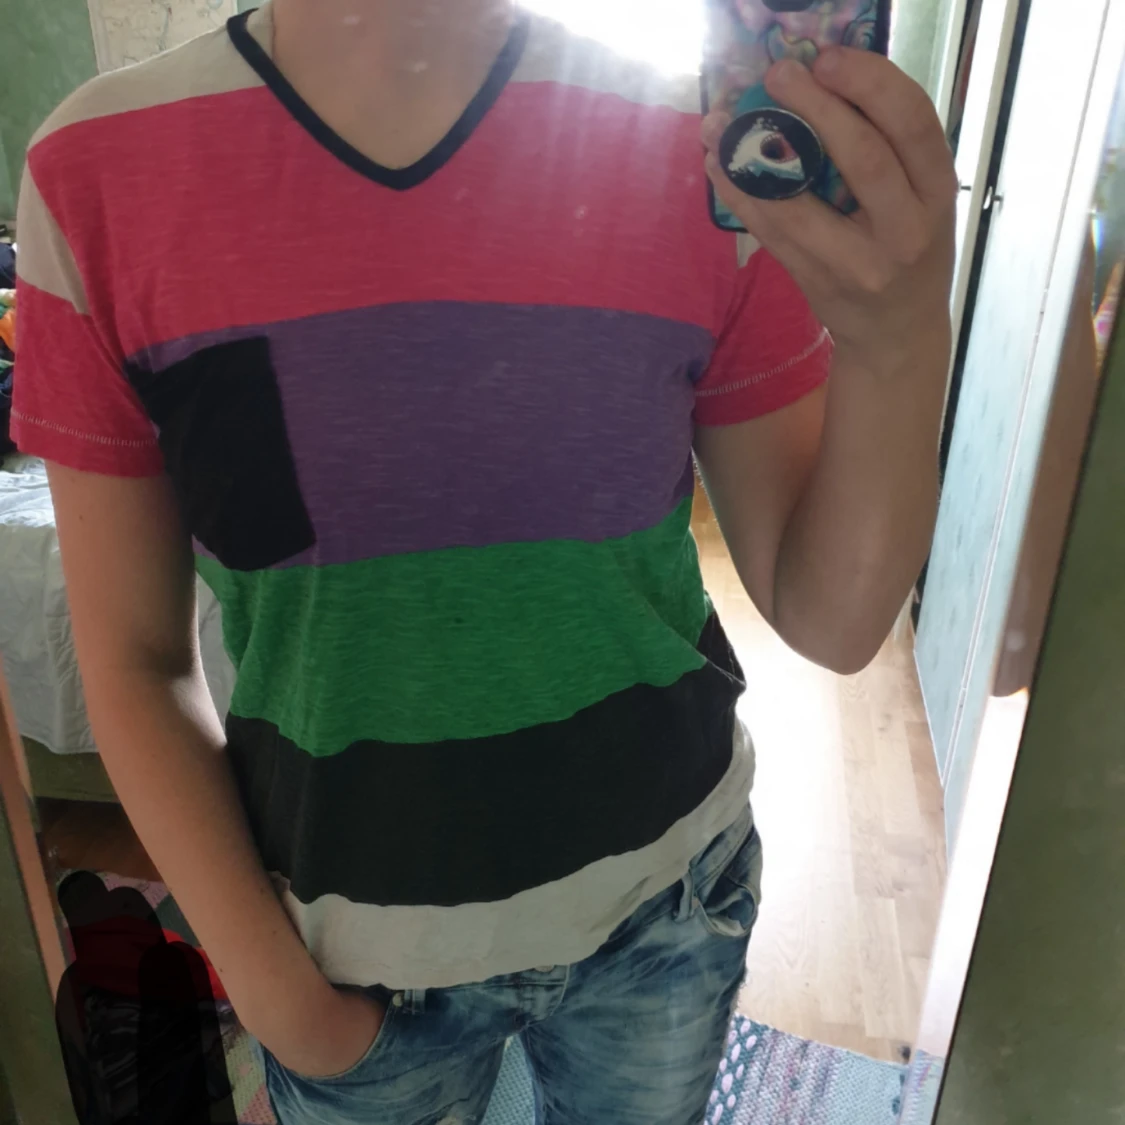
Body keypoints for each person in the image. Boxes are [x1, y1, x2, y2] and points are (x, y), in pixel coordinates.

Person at [12, 1, 956, 1121]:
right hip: (336, 954)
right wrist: (276, 997)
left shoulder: (695, 147)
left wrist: (899, 338)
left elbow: (833, 618)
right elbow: (132, 657)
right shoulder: (95, 177)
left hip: (664, 914)